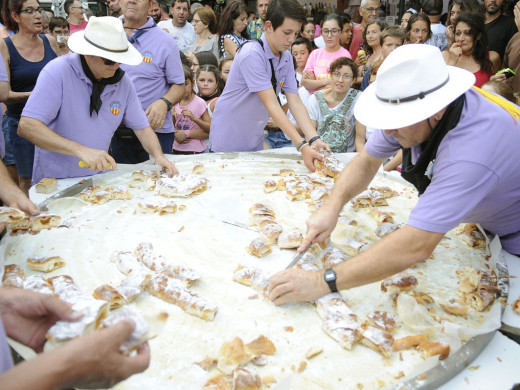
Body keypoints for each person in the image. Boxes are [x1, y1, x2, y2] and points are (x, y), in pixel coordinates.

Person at [267, 43, 520, 306]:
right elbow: (366, 161)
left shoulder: (472, 151)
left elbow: (417, 245)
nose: (388, 132)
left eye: (397, 119)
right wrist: (333, 206)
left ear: (437, 111)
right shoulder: (426, 112)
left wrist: (322, 281)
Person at [17, 16, 177, 183]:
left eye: (120, 60)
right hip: (56, 179)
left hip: (97, 180)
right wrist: (80, 150)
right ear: (88, 53)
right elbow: (27, 126)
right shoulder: (58, 72)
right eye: (109, 60)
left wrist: (158, 156)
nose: (115, 66)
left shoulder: (122, 82)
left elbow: (142, 128)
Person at [209, 0, 330, 172]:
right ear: (268, 26)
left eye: (296, 33)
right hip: (229, 135)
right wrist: (302, 146)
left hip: (254, 135)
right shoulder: (252, 53)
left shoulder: (286, 57)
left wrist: (314, 138)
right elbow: (272, 104)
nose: (291, 39)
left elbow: (294, 100)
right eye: (287, 32)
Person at [110, 0, 185, 163]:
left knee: (157, 185)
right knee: (117, 186)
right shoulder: (107, 34)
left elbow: (179, 85)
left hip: (155, 131)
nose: (131, 1)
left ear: (151, 4)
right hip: (113, 131)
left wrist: (164, 102)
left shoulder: (166, 41)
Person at [0, 0, 60, 194]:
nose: (38, 16)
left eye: (39, 10)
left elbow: (66, 78)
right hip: (21, 126)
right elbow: (4, 94)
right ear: (15, 17)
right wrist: (37, 95)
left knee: (57, 178)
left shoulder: (49, 41)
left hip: (54, 123)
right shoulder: (5, 46)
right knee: (27, 183)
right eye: (30, 11)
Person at [305, 57, 361, 153]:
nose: (340, 80)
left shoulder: (358, 99)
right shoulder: (315, 99)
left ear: (353, 80)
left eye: (346, 76)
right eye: (337, 74)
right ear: (331, 76)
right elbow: (309, 135)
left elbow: (360, 139)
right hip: (320, 154)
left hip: (347, 156)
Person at [442, 13, 500, 88]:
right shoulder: (445, 56)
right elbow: (440, 89)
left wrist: (494, 84)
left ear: (478, 35)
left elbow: (497, 92)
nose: (461, 39)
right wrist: (451, 62)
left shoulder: (491, 57)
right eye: (458, 33)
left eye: (467, 33)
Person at [301, 14, 352, 93]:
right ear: (321, 32)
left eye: (334, 31)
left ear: (341, 32)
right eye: (326, 31)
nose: (329, 35)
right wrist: (327, 82)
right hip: (314, 102)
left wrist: (315, 81)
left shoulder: (345, 55)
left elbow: (339, 86)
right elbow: (305, 82)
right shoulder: (315, 54)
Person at [172, 65, 210, 154]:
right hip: (176, 147)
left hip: (194, 150)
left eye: (186, 83)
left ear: (193, 83)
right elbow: (172, 125)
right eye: (178, 84)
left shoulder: (199, 103)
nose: (183, 88)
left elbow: (210, 127)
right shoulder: (174, 102)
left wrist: (194, 118)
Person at [356, 18, 387, 86]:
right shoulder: (367, 56)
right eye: (368, 33)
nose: (370, 36)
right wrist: (355, 64)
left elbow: (376, 78)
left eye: (374, 32)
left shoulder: (384, 55)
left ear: (383, 33)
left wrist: (355, 80)